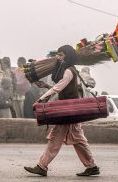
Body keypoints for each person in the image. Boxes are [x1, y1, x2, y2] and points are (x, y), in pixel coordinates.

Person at [24, 45, 99, 177]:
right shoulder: (70, 70)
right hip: (70, 110)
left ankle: (42, 166)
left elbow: (58, 88)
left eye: (61, 55)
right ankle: (91, 166)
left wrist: (41, 99)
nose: (58, 57)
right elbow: (61, 87)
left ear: (67, 56)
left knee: (57, 137)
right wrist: (46, 86)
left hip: (69, 111)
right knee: (77, 139)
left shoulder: (69, 71)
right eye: (57, 55)